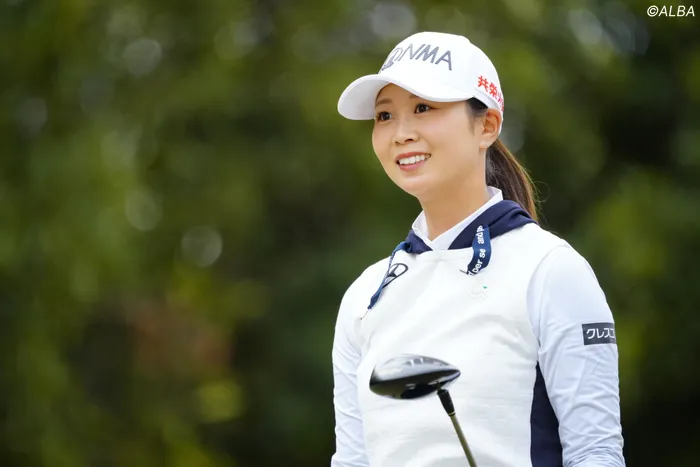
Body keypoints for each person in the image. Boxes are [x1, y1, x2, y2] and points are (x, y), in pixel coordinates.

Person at [330, 31, 625, 467]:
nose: (401, 134)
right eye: (385, 115)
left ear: (486, 125)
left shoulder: (551, 269)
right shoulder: (364, 295)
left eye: (423, 108)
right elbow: (352, 460)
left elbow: (596, 453)